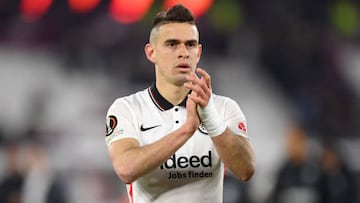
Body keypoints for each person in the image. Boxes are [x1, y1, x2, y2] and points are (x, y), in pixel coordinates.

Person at [104, 4, 255, 203]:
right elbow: (126, 169)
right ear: (151, 53)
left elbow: (246, 170)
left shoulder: (223, 108)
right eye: (172, 44)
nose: (183, 52)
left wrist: (211, 119)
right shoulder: (127, 108)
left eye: (190, 44)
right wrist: (186, 130)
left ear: (198, 52)